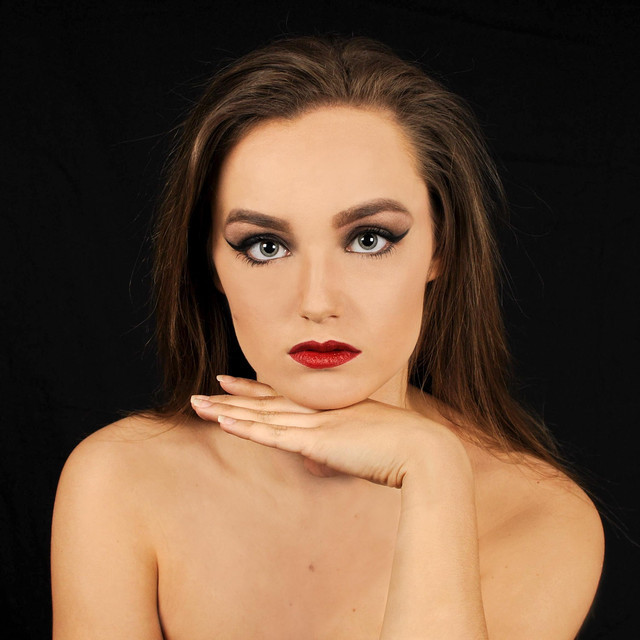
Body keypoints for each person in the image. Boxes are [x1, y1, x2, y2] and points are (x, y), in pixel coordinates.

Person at [50, 34, 604, 639]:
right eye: (266, 246)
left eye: (368, 239)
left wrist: (434, 473)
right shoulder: (120, 482)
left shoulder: (541, 518)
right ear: (210, 264)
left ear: (440, 248)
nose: (316, 302)